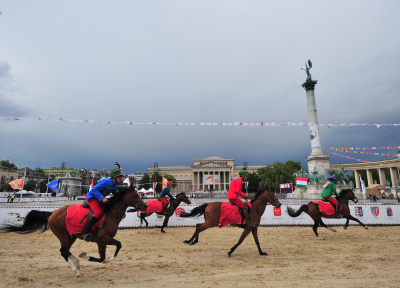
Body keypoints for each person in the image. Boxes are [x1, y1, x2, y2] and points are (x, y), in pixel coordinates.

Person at [81, 163, 125, 242]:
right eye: (120, 177)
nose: (121, 179)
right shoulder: (106, 182)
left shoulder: (115, 185)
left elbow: (115, 194)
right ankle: (85, 233)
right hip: (92, 198)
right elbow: (94, 190)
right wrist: (102, 198)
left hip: (98, 199)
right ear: (115, 177)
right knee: (97, 212)